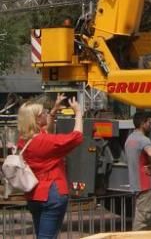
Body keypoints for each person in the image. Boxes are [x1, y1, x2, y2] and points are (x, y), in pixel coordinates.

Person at [17, 93, 83, 239]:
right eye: (43, 113)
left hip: (34, 193)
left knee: (42, 235)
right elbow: (77, 137)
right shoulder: (44, 142)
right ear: (36, 118)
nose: (46, 114)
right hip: (52, 192)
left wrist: (53, 111)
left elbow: (47, 130)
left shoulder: (23, 140)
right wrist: (78, 113)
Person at [125, 111, 151, 230]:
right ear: (143, 123)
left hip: (136, 185)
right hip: (145, 185)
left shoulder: (129, 139)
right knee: (142, 221)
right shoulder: (144, 140)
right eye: (149, 122)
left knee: (148, 222)